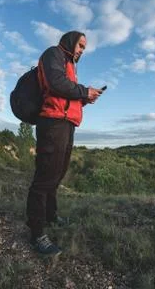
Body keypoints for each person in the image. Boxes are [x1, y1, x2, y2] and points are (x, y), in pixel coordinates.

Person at [26, 31, 103, 256]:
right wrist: (83, 91)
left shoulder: (70, 65)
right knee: (45, 177)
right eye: (80, 45)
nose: (81, 50)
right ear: (70, 41)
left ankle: (50, 215)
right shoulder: (53, 54)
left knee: (57, 174)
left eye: (84, 48)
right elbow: (55, 83)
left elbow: (66, 97)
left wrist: (85, 98)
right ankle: (37, 233)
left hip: (67, 124)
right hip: (52, 124)